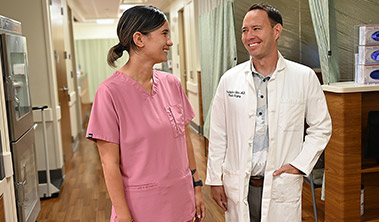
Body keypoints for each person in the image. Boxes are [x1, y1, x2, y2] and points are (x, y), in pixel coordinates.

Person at [205, 3, 332, 222]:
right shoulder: (230, 79)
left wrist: (299, 164)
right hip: (240, 184)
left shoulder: (303, 76)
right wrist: (215, 179)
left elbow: (321, 127)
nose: (248, 36)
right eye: (244, 30)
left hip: (280, 183)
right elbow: (219, 134)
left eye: (256, 28)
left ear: (276, 31)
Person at [86, 5, 205, 222]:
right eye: (164, 34)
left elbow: (184, 138)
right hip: (142, 208)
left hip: (181, 199)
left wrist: (196, 186)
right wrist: (123, 216)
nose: (170, 41)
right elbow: (109, 163)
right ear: (139, 39)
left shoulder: (172, 84)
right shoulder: (109, 93)